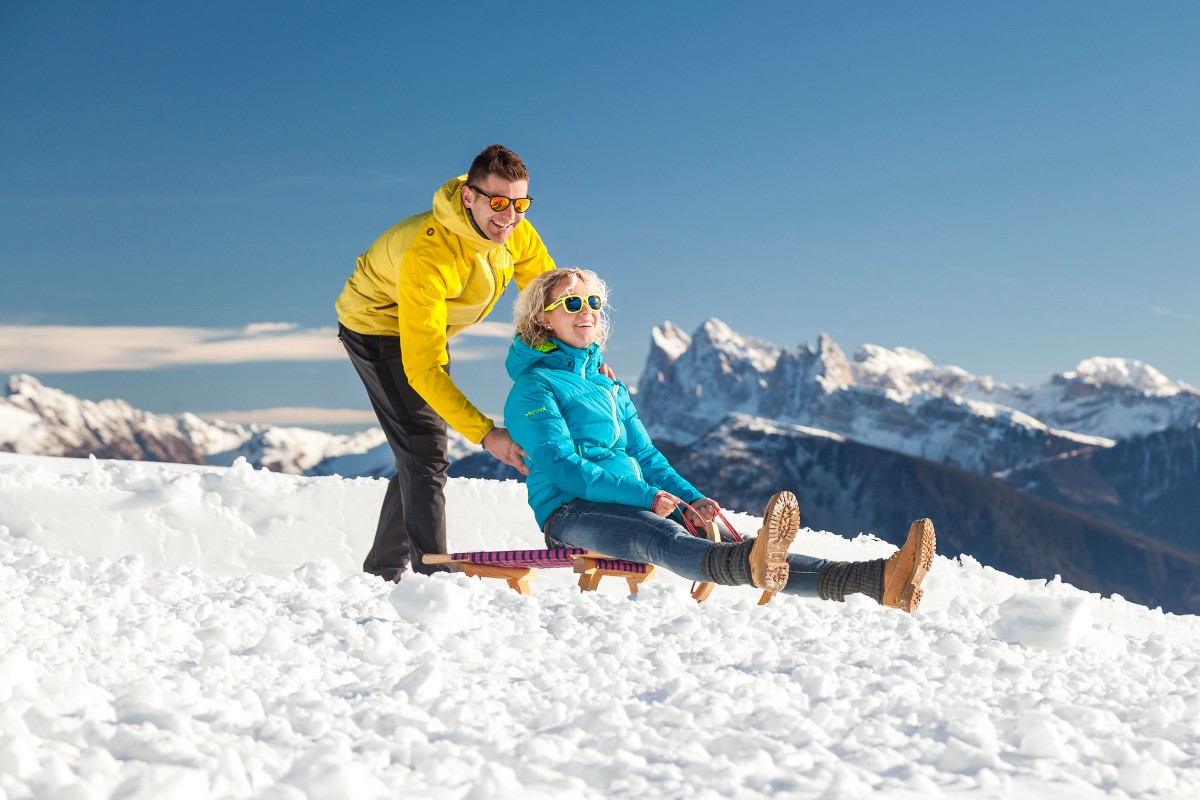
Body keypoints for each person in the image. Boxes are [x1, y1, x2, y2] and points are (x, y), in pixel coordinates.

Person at [503, 268, 936, 611]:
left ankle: (879, 580)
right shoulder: (534, 388)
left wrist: (692, 499)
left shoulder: (609, 386)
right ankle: (744, 564)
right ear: (544, 317)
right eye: (573, 302)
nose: (588, 311)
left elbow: (645, 456)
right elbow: (561, 464)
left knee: (730, 543)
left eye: (593, 301)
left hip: (632, 501)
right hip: (571, 514)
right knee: (656, 537)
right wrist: (647, 495)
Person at [336, 144, 559, 581]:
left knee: (419, 447)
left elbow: (549, 303)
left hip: (426, 329)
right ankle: (431, 577)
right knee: (425, 449)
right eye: (498, 202)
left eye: (520, 204)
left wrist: (585, 359)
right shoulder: (429, 255)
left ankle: (382, 571)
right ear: (469, 197)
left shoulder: (515, 231)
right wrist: (485, 433)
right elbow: (424, 370)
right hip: (377, 328)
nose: (510, 216)